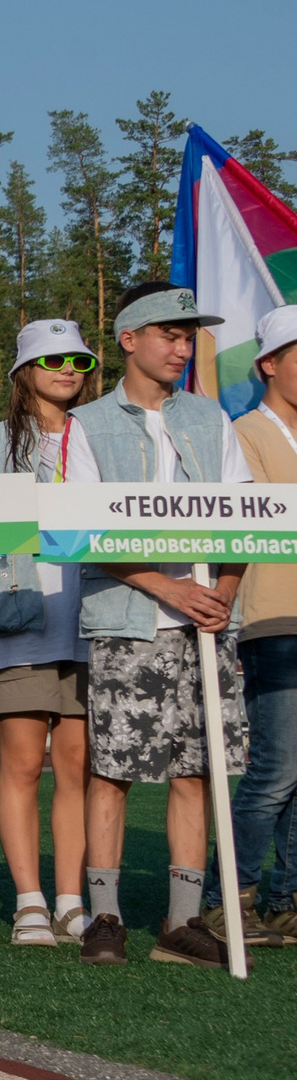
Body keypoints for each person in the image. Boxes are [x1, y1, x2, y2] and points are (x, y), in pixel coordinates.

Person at [71, 283, 251, 969]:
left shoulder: (212, 418)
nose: (182, 348)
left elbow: (244, 518)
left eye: (188, 337)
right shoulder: (87, 424)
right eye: (169, 334)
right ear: (129, 339)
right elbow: (77, 532)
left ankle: (182, 921)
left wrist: (223, 591)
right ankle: (105, 915)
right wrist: (168, 586)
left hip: (207, 624)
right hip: (127, 619)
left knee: (197, 770)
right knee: (113, 770)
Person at [0, 320, 96, 947]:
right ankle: (29, 902)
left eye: (79, 361)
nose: (68, 370)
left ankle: (71, 901)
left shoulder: (98, 437)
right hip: (19, 619)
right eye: (53, 360)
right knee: (21, 765)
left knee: (78, 767)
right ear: (24, 371)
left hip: (95, 619)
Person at [226, 303, 297, 948]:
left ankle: (286, 901)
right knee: (275, 770)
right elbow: (251, 521)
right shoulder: (244, 433)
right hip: (274, 620)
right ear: (269, 365)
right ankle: (232, 896)